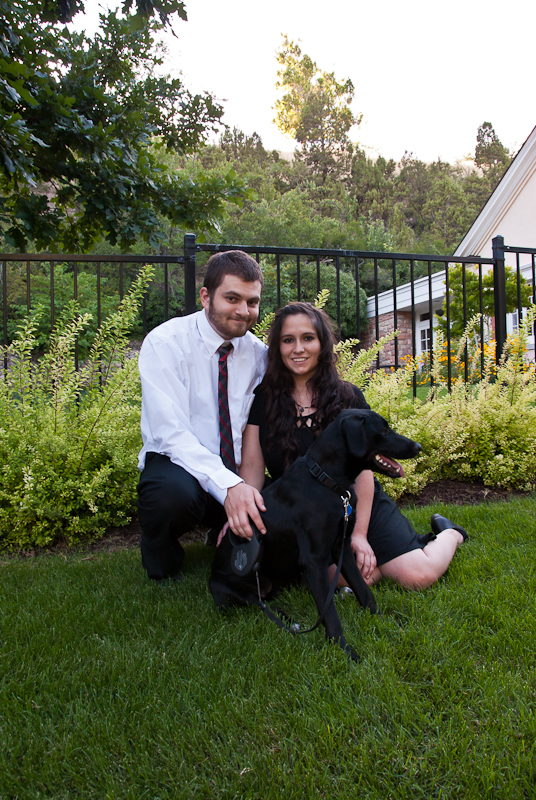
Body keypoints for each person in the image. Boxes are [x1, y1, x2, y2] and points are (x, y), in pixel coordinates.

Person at [235, 301, 467, 591]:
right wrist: (244, 512)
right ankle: (381, 560)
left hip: (357, 503)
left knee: (417, 576)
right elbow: (253, 466)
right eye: (288, 340)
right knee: (358, 577)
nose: (298, 349)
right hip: (307, 514)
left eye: (308, 338)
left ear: (322, 343)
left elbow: (363, 470)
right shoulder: (264, 399)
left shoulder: (347, 398)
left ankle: (450, 533)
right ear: (277, 347)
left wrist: (358, 534)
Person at [137, 250, 268, 581]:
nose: (244, 311)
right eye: (232, 298)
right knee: (170, 496)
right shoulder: (165, 343)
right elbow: (170, 434)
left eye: (252, 302)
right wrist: (229, 485)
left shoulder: (259, 355)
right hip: (178, 466)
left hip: (238, 470)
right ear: (206, 297)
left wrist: (242, 483)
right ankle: (161, 556)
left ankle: (224, 528)